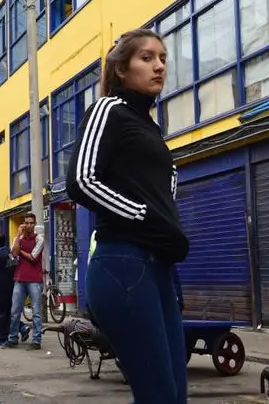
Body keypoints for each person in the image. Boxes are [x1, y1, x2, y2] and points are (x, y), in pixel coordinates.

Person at [64, 29, 190, 404]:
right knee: (158, 396)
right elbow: (82, 181)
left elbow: (164, 189)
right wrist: (148, 219)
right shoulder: (108, 110)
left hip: (159, 268)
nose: (159, 66)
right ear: (121, 68)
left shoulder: (151, 127)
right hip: (124, 264)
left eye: (163, 58)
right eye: (147, 58)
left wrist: (169, 231)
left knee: (174, 395)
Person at [5, 214, 44, 350]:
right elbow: (14, 254)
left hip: (34, 280)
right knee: (14, 311)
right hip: (20, 279)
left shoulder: (39, 239)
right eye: (26, 223)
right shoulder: (19, 238)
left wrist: (20, 249)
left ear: (35, 224)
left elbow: (33, 257)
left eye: (31, 223)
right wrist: (18, 236)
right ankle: (13, 338)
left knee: (36, 312)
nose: (28, 225)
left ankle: (36, 340)